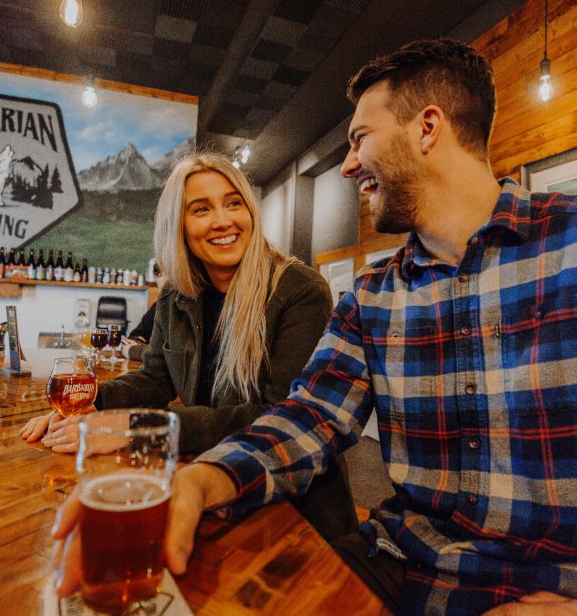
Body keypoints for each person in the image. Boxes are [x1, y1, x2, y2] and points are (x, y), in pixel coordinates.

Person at [51, 39, 577, 616]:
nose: (344, 164)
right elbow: (308, 417)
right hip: (406, 600)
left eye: (358, 138)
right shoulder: (373, 296)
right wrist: (204, 479)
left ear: (427, 128)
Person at [22, 152, 357, 541]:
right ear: (177, 225)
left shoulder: (300, 290)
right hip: (207, 485)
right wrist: (88, 402)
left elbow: (278, 417)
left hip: (295, 513)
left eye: (234, 203)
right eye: (201, 209)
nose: (223, 220)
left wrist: (135, 430)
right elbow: (154, 379)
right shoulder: (176, 297)